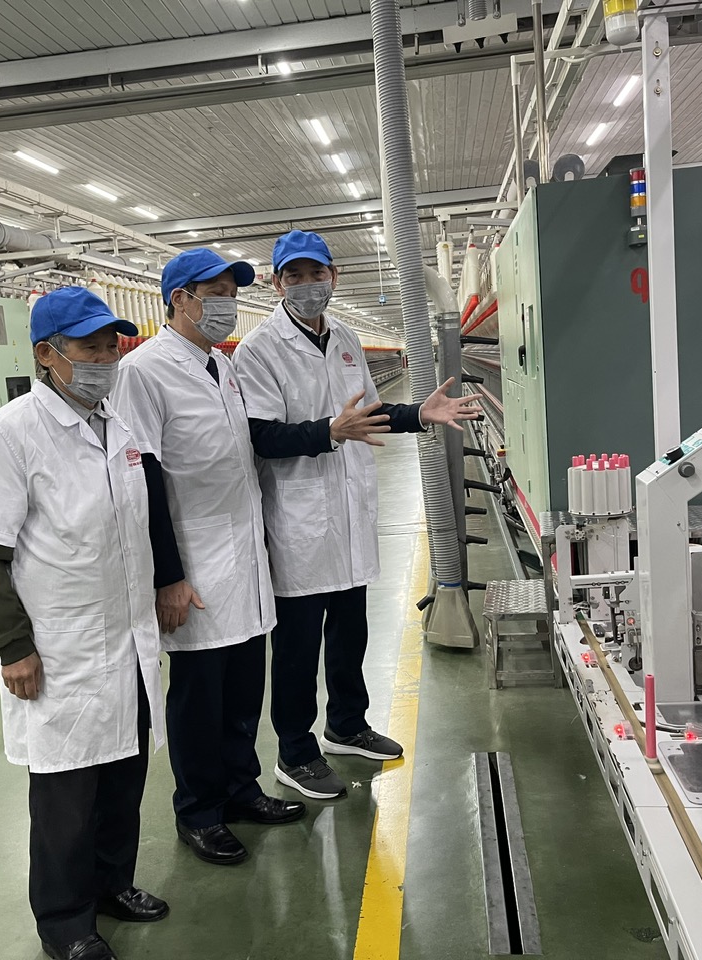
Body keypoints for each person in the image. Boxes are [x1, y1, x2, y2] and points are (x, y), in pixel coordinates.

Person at [0, 286, 168, 960]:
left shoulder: (118, 426)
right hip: (61, 649)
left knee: (123, 779)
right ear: (47, 354)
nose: (105, 357)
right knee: (66, 799)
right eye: (89, 347)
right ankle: (66, 923)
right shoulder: (13, 431)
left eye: (111, 345)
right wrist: (11, 646)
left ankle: (112, 885)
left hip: (128, 640)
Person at [232, 229, 482, 800]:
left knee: (351, 632)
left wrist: (418, 415)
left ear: (333, 277)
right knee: (298, 649)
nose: (306, 285)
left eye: (315, 273)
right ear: (277, 284)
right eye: (294, 276)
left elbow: (368, 413)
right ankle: (295, 752)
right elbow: (261, 436)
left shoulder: (344, 337)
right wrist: (328, 431)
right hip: (298, 522)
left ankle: (347, 724)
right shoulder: (260, 349)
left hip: (348, 515)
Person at [112, 248, 305, 868]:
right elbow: (144, 478)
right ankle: (199, 811)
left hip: (242, 557)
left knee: (244, 687)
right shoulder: (144, 371)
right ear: (180, 300)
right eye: (215, 292)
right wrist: (168, 576)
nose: (227, 303)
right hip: (193, 560)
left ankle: (241, 789)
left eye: (232, 292)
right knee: (200, 696)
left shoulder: (221, 365)